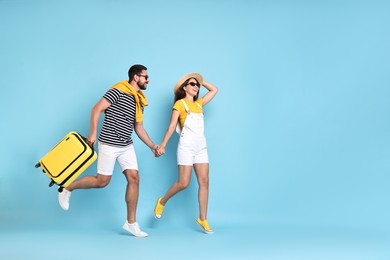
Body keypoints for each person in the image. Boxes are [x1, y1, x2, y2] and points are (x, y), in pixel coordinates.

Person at [58, 64, 158, 238]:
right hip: (109, 144)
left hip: (126, 145)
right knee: (102, 181)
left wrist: (152, 146)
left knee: (134, 179)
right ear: (136, 77)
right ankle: (67, 188)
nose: (148, 80)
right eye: (145, 77)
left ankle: (131, 223)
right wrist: (92, 132)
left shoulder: (138, 99)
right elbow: (96, 109)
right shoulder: (117, 90)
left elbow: (139, 127)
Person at [154, 72, 218, 234]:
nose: (196, 87)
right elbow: (170, 127)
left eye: (197, 85)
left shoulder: (199, 104)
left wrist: (201, 82)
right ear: (184, 88)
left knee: (205, 182)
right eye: (192, 84)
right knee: (183, 183)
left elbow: (215, 90)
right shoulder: (180, 105)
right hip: (186, 146)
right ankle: (162, 201)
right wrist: (162, 145)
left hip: (201, 146)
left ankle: (202, 218)